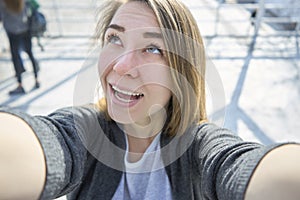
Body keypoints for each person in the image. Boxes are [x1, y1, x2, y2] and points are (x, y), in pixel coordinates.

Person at [0, 0, 300, 199]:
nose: (120, 66)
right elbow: (48, 141)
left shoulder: (199, 145)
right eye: (114, 39)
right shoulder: (86, 130)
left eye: (153, 48)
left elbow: (237, 165)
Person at [0, 0, 40, 95]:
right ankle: (36, 79)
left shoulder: (3, 2)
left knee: (15, 57)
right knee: (30, 53)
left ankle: (20, 85)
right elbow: (31, 8)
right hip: (25, 28)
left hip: (12, 31)